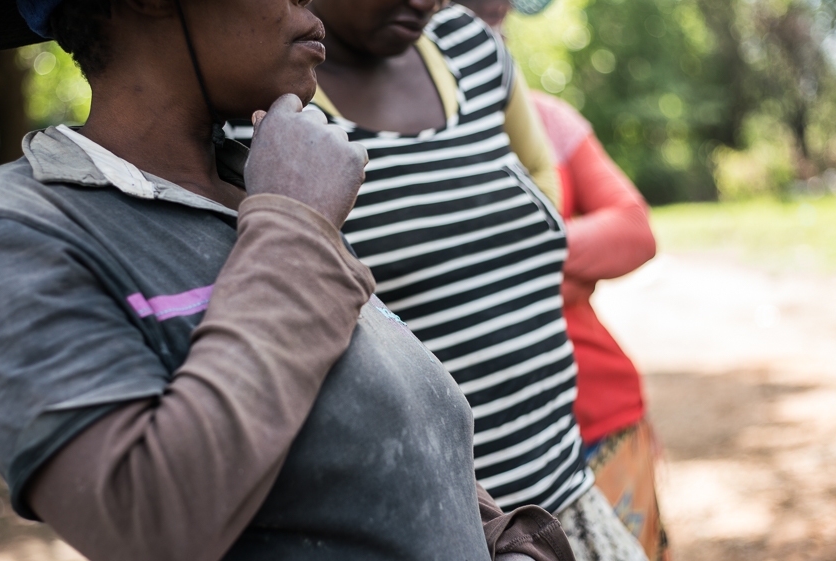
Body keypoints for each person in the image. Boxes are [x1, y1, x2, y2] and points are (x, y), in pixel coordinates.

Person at [0, 0, 577, 559]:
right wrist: (293, 227)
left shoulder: (260, 187)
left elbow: (400, 459)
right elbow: (149, 521)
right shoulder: (25, 224)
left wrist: (505, 542)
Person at [226, 1, 649, 559]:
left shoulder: (471, 47)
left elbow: (539, 176)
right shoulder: (263, 107)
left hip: (567, 507)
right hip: (449, 539)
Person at [452, 1, 670, 559]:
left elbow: (634, 231)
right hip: (462, 460)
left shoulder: (548, 118)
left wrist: (514, 255)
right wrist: (562, 265)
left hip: (597, 422)